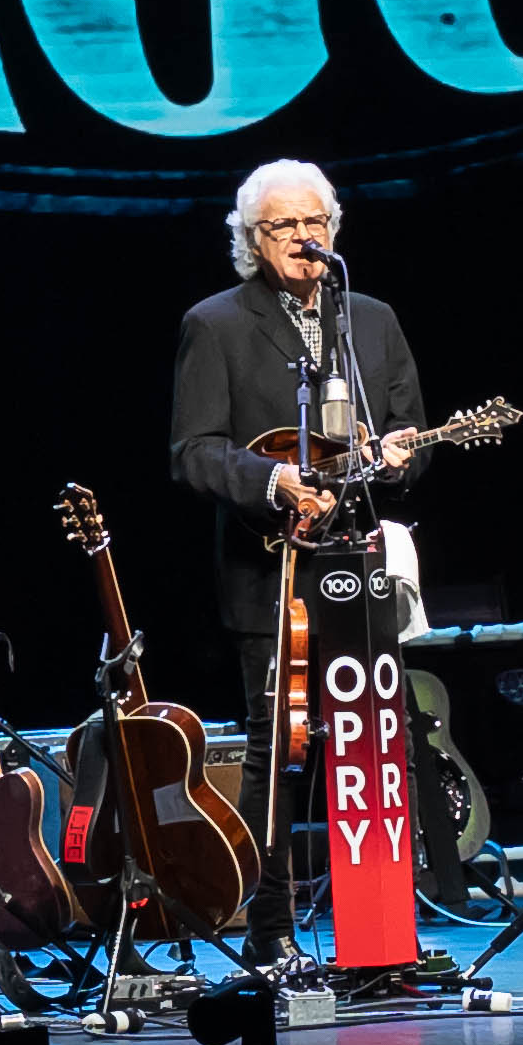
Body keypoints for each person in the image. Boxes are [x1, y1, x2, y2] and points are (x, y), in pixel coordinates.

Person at [165, 160, 437, 745]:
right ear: (251, 239)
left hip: (363, 567)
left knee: (388, 747)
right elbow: (192, 451)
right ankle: (273, 845)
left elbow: (407, 429)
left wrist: (401, 455)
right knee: (280, 757)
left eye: (312, 221)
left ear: (333, 230)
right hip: (271, 577)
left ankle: (399, 842)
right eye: (281, 225)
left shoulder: (373, 319)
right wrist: (273, 479)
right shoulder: (215, 324)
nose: (300, 237)